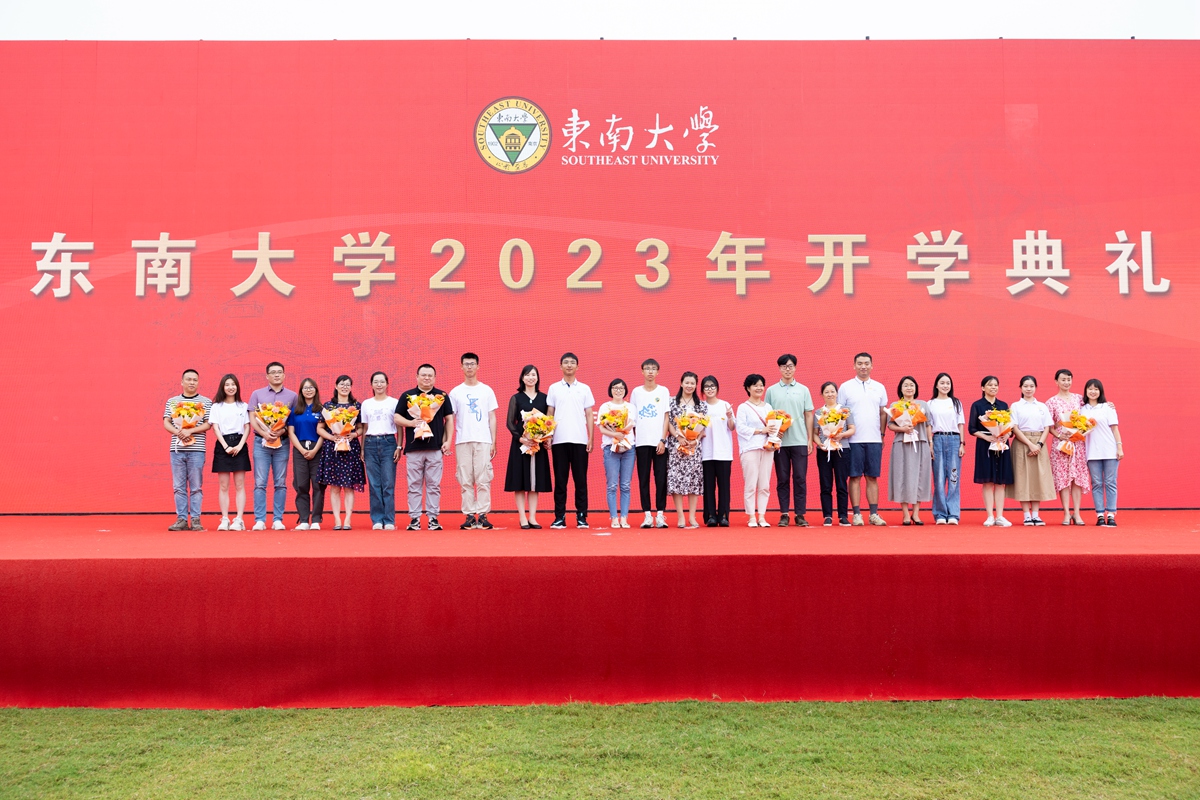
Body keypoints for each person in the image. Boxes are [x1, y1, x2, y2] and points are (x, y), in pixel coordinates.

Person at [395, 364, 453, 531]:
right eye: (423, 375)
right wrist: (412, 423)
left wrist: (448, 441)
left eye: (430, 375)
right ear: (417, 377)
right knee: (414, 484)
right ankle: (414, 518)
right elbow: (397, 417)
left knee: (434, 485)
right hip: (414, 448)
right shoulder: (407, 396)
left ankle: (433, 518)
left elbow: (449, 419)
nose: (427, 378)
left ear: (434, 378)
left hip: (435, 448)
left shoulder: (441, 396)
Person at [837, 353, 888, 526]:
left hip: (874, 439)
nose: (863, 366)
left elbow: (883, 413)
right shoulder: (846, 387)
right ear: (854, 366)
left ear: (872, 366)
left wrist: (882, 435)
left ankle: (873, 514)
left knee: (872, 477)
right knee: (855, 476)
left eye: (866, 363)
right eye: (859, 363)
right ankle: (857, 514)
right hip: (853, 440)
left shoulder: (879, 387)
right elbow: (840, 413)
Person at [449, 352, 499, 530]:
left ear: (478, 366)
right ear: (461, 367)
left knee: (484, 478)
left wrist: (493, 441)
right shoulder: (455, 392)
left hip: (483, 440)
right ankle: (470, 515)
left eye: (472, 364)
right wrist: (448, 440)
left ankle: (483, 514)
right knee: (465, 479)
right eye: (466, 364)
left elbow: (492, 417)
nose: (469, 367)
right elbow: (450, 419)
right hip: (463, 440)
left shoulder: (486, 390)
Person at [764, 354, 815, 527]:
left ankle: (800, 514)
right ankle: (784, 514)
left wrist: (809, 439)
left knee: (800, 478)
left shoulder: (803, 390)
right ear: (779, 368)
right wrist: (771, 437)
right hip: (779, 443)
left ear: (795, 368)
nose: (787, 369)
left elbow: (808, 415)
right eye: (784, 366)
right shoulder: (771, 390)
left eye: (790, 366)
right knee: (782, 478)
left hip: (799, 441)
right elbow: (768, 415)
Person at [547, 352, 595, 529]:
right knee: (560, 481)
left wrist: (590, 438)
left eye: (572, 362)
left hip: (580, 440)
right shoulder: (554, 388)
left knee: (580, 481)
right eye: (566, 362)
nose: (569, 365)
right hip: (559, 440)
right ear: (560, 366)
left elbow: (589, 414)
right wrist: (548, 435)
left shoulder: (584, 388)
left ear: (577, 367)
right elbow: (550, 413)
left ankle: (582, 516)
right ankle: (559, 516)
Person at [248, 362, 298, 531]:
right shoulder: (257, 394)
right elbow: (253, 418)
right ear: (267, 376)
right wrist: (264, 433)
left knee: (280, 482)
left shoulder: (292, 396)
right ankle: (259, 520)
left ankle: (278, 519)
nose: (276, 375)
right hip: (261, 443)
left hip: (282, 442)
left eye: (279, 372)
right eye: (273, 372)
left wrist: (282, 430)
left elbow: (293, 421)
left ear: (284, 375)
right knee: (260, 482)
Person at [163, 369, 212, 532]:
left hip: (197, 450)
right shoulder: (172, 402)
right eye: (189, 379)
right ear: (182, 382)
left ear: (198, 382)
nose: (192, 382)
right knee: (178, 486)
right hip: (177, 449)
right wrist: (179, 432)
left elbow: (208, 424)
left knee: (196, 486)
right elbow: (166, 422)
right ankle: (182, 519)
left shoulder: (206, 402)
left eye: (195, 380)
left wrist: (190, 431)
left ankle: (196, 519)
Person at [503, 365, 551, 529]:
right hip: (521, 445)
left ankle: (532, 517)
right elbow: (510, 422)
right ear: (522, 378)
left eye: (533, 375)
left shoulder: (544, 398)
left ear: (538, 378)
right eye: (527, 375)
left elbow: (548, 421)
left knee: (534, 483)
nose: (531, 378)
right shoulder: (516, 398)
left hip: (538, 445)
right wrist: (521, 439)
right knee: (520, 481)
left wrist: (544, 438)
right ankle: (522, 517)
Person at [317, 375, 365, 530]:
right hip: (333, 449)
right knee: (335, 486)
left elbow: (361, 428)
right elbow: (320, 428)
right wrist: (332, 437)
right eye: (342, 384)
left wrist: (354, 435)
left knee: (349, 486)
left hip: (351, 448)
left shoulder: (356, 406)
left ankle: (348, 520)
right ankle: (337, 520)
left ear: (351, 387)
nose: (345, 387)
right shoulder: (328, 406)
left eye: (348, 384)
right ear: (336, 386)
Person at [1007, 376, 1054, 526]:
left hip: (1039, 443)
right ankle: (1026, 515)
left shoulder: (1042, 406)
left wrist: (1039, 444)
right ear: (1020, 388)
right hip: (1022, 443)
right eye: (1025, 386)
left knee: (1037, 478)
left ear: (1035, 387)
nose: (1028, 389)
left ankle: (1036, 515)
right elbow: (1014, 427)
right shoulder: (1015, 406)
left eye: (1031, 386)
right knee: (1023, 478)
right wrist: (1030, 444)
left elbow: (1047, 427)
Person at [1046, 369, 1091, 526]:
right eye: (1063, 379)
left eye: (1069, 379)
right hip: (1061, 446)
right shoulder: (1051, 402)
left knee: (1077, 479)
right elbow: (1048, 426)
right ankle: (1066, 513)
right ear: (1056, 382)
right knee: (1063, 479)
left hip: (1077, 445)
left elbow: (1092, 410)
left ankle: (1077, 513)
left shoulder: (1079, 399)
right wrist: (1059, 436)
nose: (1066, 382)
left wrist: (1108, 404)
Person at [630, 358, 671, 529]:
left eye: (653, 368)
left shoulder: (663, 391)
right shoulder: (636, 392)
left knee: (661, 479)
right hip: (642, 442)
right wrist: (636, 438)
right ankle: (647, 515)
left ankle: (660, 515)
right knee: (643, 478)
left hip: (659, 442)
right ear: (642, 371)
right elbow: (632, 418)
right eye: (647, 368)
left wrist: (662, 439)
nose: (650, 371)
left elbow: (666, 417)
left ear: (658, 372)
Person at [968, 376, 1014, 527]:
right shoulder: (977, 405)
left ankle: (1000, 516)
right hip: (985, 444)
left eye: (995, 385)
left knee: (1000, 482)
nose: (993, 387)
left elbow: (1010, 426)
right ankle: (989, 516)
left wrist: (1007, 434)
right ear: (983, 388)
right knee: (987, 481)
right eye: (990, 385)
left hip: (1002, 445)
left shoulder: (1003, 405)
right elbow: (972, 428)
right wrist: (986, 437)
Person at [886, 376, 932, 525]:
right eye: (905, 385)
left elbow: (928, 425)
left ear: (916, 388)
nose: (909, 388)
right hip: (901, 444)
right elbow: (890, 425)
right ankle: (905, 514)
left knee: (920, 476)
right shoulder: (895, 405)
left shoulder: (923, 404)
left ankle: (916, 513)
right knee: (902, 476)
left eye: (911, 385)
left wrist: (930, 443)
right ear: (901, 388)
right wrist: (903, 429)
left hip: (920, 443)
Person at [209, 373, 251, 531]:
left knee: (240, 484)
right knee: (223, 485)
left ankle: (239, 519)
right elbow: (215, 428)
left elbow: (247, 427)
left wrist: (240, 445)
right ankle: (225, 519)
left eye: (233, 384)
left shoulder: (243, 406)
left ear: (237, 387)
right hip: (223, 444)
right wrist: (226, 446)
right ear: (222, 387)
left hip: (240, 443)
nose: (230, 387)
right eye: (227, 384)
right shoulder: (216, 406)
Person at [667, 371, 708, 528]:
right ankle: (680, 516)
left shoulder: (701, 405)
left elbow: (703, 426)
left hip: (694, 448)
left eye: (692, 383)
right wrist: (678, 437)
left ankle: (692, 516)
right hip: (676, 447)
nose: (689, 386)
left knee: (693, 481)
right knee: (676, 480)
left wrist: (695, 440)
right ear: (681, 383)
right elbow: (669, 423)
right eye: (687, 382)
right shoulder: (672, 402)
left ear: (696, 385)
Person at [360, 371, 400, 530]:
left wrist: (399, 446)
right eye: (376, 382)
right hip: (370, 443)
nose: (379, 384)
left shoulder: (394, 402)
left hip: (388, 442)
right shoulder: (366, 404)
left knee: (388, 484)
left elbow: (399, 426)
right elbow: (365, 428)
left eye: (382, 381)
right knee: (374, 484)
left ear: (387, 384)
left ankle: (389, 520)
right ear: (371, 385)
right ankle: (377, 519)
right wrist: (362, 448)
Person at [811, 381, 854, 526]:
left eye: (832, 391)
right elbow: (815, 433)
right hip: (824, 451)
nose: (830, 394)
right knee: (825, 483)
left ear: (837, 393)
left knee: (842, 483)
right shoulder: (819, 413)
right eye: (826, 392)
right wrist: (820, 444)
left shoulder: (844, 410)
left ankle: (843, 516)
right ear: (822, 395)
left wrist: (841, 435)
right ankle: (827, 515)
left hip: (842, 449)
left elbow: (852, 429)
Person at [597, 378, 637, 528]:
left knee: (626, 485)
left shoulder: (630, 407)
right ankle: (614, 517)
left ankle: (624, 517)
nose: (618, 390)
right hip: (610, 448)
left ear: (625, 390)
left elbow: (633, 426)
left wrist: (623, 434)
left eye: (621, 388)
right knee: (612, 485)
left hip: (628, 449)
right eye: (615, 388)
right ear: (611, 390)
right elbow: (602, 428)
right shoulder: (605, 407)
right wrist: (615, 435)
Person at [736, 374, 774, 528]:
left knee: (764, 484)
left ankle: (762, 516)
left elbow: (773, 426)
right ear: (748, 388)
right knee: (751, 484)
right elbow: (740, 428)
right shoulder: (743, 407)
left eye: (761, 385)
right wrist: (760, 430)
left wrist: (776, 433)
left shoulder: (768, 407)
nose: (759, 388)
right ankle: (751, 516)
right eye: (755, 385)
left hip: (767, 448)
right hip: (750, 448)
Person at [928, 373, 966, 525]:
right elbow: (929, 425)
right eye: (942, 383)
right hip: (937, 439)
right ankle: (940, 513)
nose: (945, 386)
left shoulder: (956, 403)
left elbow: (960, 424)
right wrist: (930, 443)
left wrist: (962, 443)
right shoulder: (930, 403)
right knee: (938, 478)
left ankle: (953, 514)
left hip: (954, 440)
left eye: (948, 383)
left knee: (953, 477)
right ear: (936, 385)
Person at [287, 378, 325, 530]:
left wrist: (315, 450)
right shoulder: (295, 410)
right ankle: (303, 520)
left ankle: (316, 519)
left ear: (316, 390)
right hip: (300, 449)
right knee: (301, 484)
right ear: (301, 391)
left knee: (318, 485)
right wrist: (302, 450)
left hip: (318, 449)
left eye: (311, 387)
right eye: (305, 388)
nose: (308, 390)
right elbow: (291, 432)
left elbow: (323, 432)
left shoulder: (322, 410)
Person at [1083, 379, 1123, 526]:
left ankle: (1111, 514)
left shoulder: (1107, 407)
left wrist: (1119, 447)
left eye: (1096, 389)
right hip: (1092, 452)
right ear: (1086, 391)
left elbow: (1115, 429)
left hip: (1109, 450)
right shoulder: (1082, 409)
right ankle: (1100, 514)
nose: (1093, 392)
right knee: (1097, 483)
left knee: (1111, 482)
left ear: (1100, 392)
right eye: (1090, 389)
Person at [700, 375, 736, 527]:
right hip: (706, 452)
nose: (710, 389)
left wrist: (729, 417)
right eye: (706, 387)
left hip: (723, 452)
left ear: (717, 388)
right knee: (708, 486)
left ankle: (723, 516)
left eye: (712, 386)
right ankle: (710, 516)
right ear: (702, 390)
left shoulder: (725, 405)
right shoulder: (700, 407)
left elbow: (732, 427)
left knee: (724, 486)